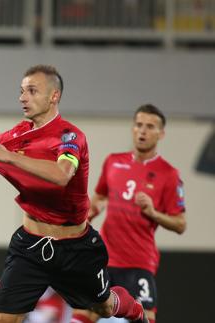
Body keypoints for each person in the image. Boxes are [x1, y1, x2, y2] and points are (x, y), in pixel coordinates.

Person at [0, 65, 149, 323]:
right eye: (21, 91)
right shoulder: (22, 132)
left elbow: (62, 174)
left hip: (75, 248)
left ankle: (134, 310)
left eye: (32, 91)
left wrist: (7, 156)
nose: (23, 98)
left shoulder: (70, 136)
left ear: (54, 96)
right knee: (3, 319)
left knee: (103, 307)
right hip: (30, 246)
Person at [71, 104, 186, 323]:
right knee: (84, 312)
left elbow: (180, 224)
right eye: (139, 125)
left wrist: (153, 213)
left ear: (161, 134)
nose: (142, 131)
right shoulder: (113, 161)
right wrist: (86, 216)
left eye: (150, 126)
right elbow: (100, 197)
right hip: (105, 256)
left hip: (139, 262)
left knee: (145, 317)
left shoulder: (169, 174)